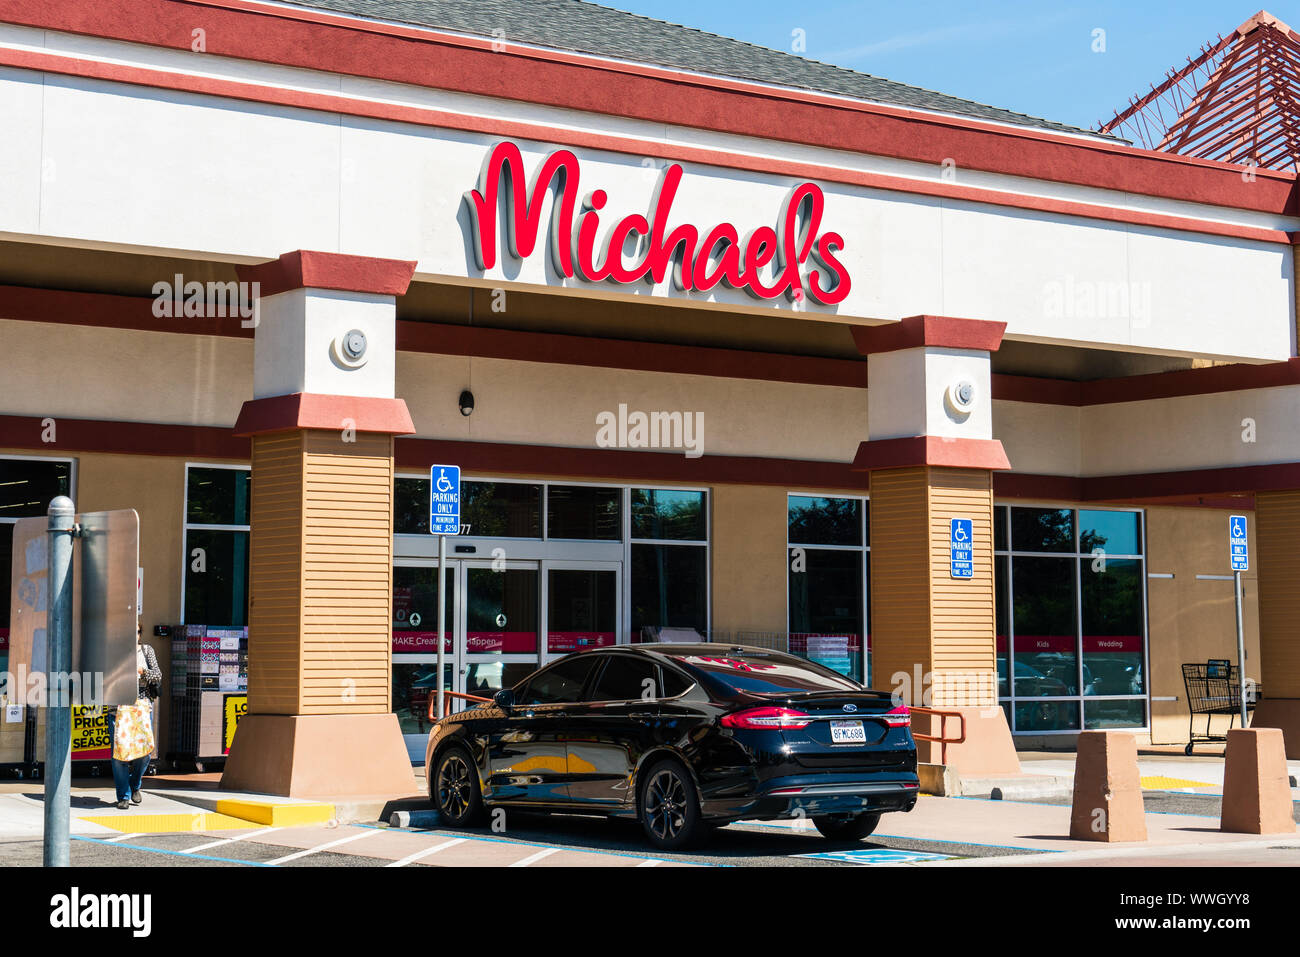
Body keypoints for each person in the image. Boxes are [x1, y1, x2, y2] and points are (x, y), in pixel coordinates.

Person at [108, 624, 161, 810]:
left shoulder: (147, 651)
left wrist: (142, 671)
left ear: (140, 634)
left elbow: (158, 675)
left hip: (141, 708)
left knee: (145, 753)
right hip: (118, 707)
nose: (134, 635)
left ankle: (135, 784)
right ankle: (123, 796)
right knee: (119, 756)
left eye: (137, 632)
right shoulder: (114, 652)